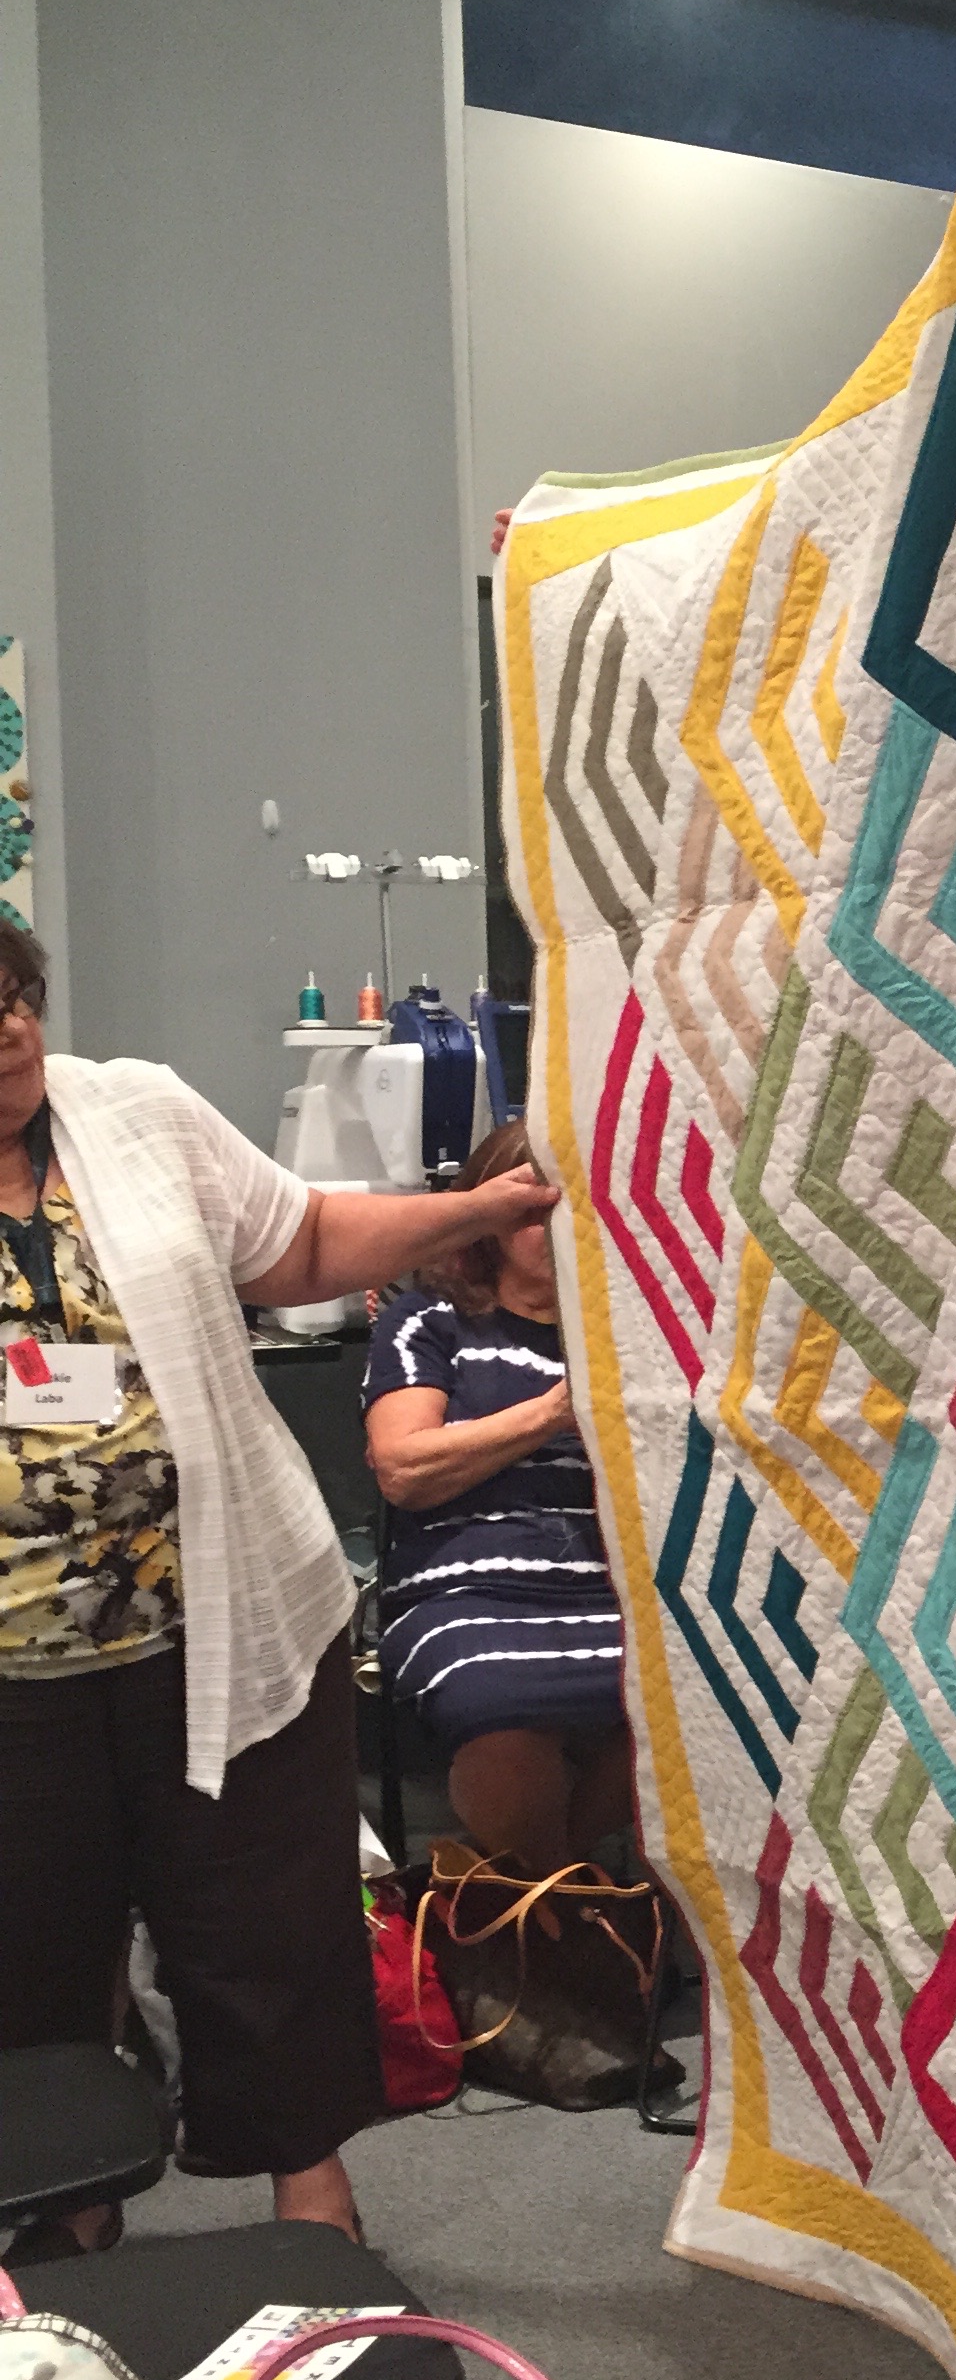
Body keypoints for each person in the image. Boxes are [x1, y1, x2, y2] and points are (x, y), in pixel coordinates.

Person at [0, 921, 567, 2255]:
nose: (11, 1030)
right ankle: (69, 2204)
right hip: (16, 1675)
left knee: (267, 1926)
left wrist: (481, 1209)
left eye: (17, 997)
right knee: (32, 1948)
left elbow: (299, 1243)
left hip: (229, 1620)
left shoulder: (134, 1111)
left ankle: (313, 2206)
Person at [362, 1120, 631, 1873]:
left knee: (695, 1702)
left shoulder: (632, 1331)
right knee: (497, 1705)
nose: (561, 1224)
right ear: (489, 1216)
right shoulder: (430, 1321)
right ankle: (571, 1903)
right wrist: (555, 1412)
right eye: (538, 1207)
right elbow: (403, 1468)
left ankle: (538, 1898)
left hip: (615, 1586)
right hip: (463, 1588)